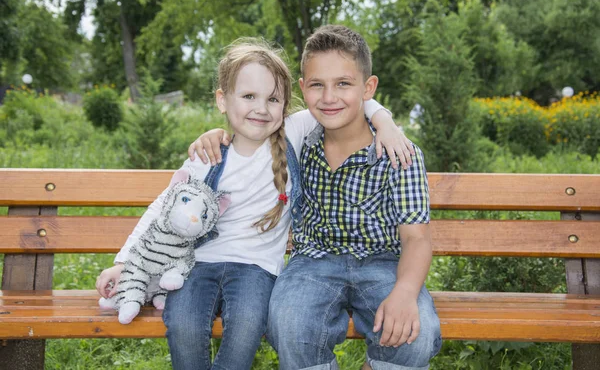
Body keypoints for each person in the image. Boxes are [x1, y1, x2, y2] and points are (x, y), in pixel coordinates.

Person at [96, 38, 412, 370]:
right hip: (198, 264)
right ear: (222, 99)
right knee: (184, 324)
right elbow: (162, 211)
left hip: (257, 269)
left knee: (247, 325)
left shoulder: (292, 132)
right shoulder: (208, 156)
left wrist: (386, 123)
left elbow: (358, 101)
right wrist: (123, 263)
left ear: (285, 104)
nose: (261, 108)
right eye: (248, 96)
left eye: (273, 99)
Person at [196, 26, 442, 370]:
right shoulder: (295, 138)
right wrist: (216, 134)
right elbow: (247, 131)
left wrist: (404, 292)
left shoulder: (397, 152)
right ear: (302, 89)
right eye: (317, 85)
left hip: (383, 262)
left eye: (343, 84)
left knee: (416, 334)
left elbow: (417, 239)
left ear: (367, 88)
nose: (329, 97)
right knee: (290, 323)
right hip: (313, 261)